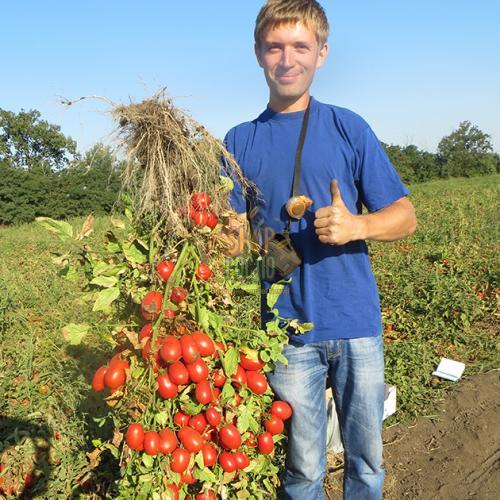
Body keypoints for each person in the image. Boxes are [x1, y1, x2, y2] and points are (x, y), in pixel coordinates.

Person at [223, 1, 417, 499]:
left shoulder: (348, 127)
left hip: (355, 322)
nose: (287, 59)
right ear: (259, 54)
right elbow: (231, 244)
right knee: (304, 469)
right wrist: (212, 226)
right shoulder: (238, 143)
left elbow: (405, 217)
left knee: (367, 463)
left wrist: (357, 225)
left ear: (322, 53)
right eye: (275, 46)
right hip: (286, 334)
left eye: (300, 46)